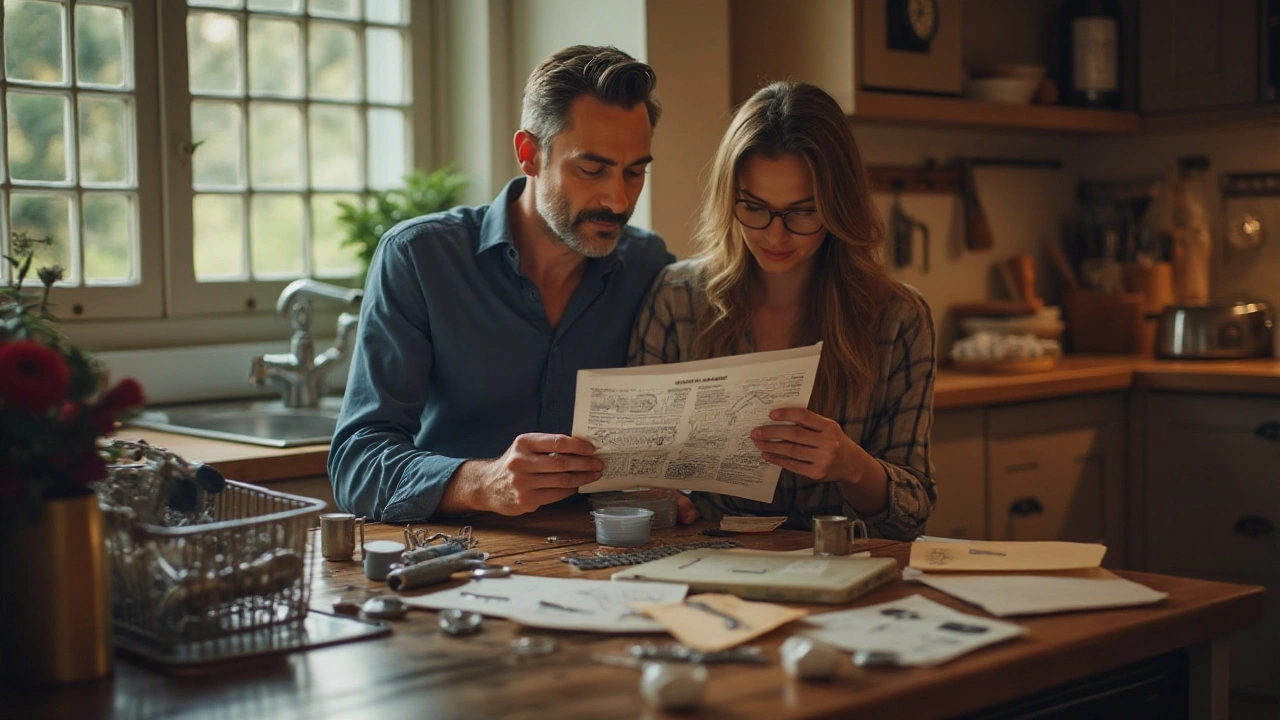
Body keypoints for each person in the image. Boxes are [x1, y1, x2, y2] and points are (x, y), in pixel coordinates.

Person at [329, 45, 673, 522]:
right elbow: (355, 464)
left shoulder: (648, 263)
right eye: (591, 169)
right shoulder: (420, 257)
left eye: (634, 172)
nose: (617, 199)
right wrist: (481, 483)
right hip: (454, 561)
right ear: (529, 154)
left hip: (600, 555)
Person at [629, 81, 937, 540]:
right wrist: (654, 496)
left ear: (839, 206)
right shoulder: (677, 299)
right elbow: (632, 471)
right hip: (709, 566)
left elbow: (913, 513)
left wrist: (854, 467)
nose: (775, 236)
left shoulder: (897, 318)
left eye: (803, 212)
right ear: (728, 198)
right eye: (754, 207)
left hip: (843, 567)